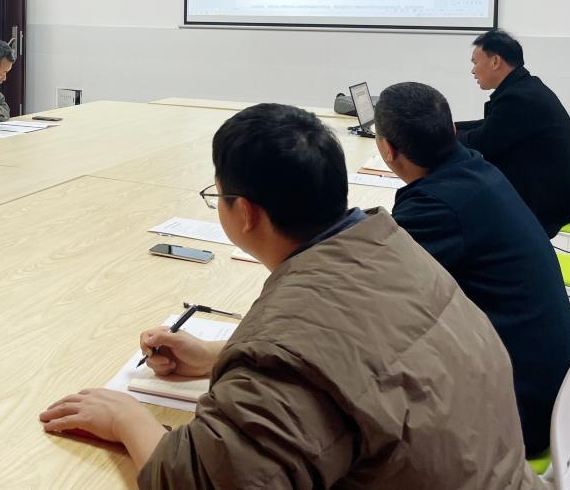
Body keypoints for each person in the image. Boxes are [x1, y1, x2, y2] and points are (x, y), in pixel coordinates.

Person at [39, 104, 538, 490]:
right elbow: (356, 359)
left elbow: (201, 480)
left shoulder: (287, 339)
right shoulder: (391, 247)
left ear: (245, 213)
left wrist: (126, 418)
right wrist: (217, 357)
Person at [374, 81, 570, 457]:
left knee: (364, 397)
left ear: (387, 150)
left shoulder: (436, 207)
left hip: (520, 409)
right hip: (548, 386)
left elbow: (378, 293)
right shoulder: (475, 170)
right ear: (452, 130)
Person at [455, 29, 570, 237]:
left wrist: (443, 134)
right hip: (557, 196)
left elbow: (481, 143)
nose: (473, 70)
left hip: (545, 206)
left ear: (495, 61)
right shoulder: (525, 88)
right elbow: (491, 126)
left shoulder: (519, 98)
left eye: (475, 62)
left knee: (464, 200)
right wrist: (451, 126)